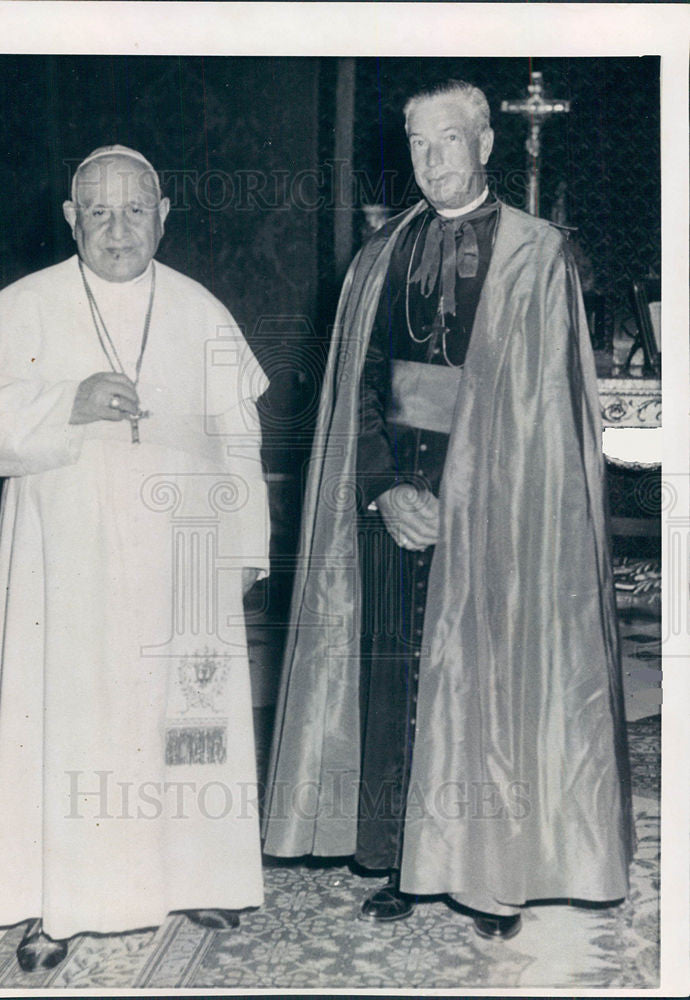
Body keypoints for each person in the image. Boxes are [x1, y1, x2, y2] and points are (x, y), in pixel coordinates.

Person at [262, 81, 634, 940]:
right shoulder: (377, 255)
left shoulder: (539, 255)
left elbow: (546, 412)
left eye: (449, 141)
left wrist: (466, 495)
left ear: (486, 145)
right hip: (393, 504)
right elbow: (355, 391)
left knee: (489, 687)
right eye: (419, 145)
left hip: (500, 512)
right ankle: (404, 860)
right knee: (393, 682)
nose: (433, 161)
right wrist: (386, 489)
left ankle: (488, 871)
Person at [0, 145, 269, 969]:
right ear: (69, 218)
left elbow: (240, 439)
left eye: (134, 211)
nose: (117, 229)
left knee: (186, 727)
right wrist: (67, 402)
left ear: (165, 215)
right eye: (98, 212)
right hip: (67, 562)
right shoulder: (22, 306)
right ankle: (60, 902)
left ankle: (200, 874)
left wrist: (243, 553)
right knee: (71, 723)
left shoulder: (202, 311)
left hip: (181, 564)